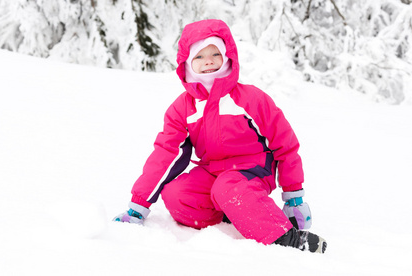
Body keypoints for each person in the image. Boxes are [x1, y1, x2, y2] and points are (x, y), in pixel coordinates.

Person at [114, 19, 327, 253]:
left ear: (227, 55)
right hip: (212, 172)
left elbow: (285, 145)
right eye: (199, 56)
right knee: (177, 194)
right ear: (187, 63)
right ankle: (235, 214)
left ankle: (287, 238)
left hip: (253, 171)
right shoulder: (184, 109)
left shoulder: (250, 99)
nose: (208, 61)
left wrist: (293, 196)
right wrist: (138, 205)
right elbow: (166, 154)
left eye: (215, 53)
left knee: (228, 187)